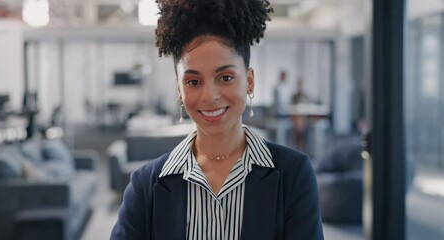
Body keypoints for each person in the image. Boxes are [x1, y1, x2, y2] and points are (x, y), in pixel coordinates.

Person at [111, 0, 323, 239]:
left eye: (225, 77)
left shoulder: (293, 175)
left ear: (249, 81)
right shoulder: (145, 186)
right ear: (179, 89)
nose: (209, 96)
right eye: (193, 82)